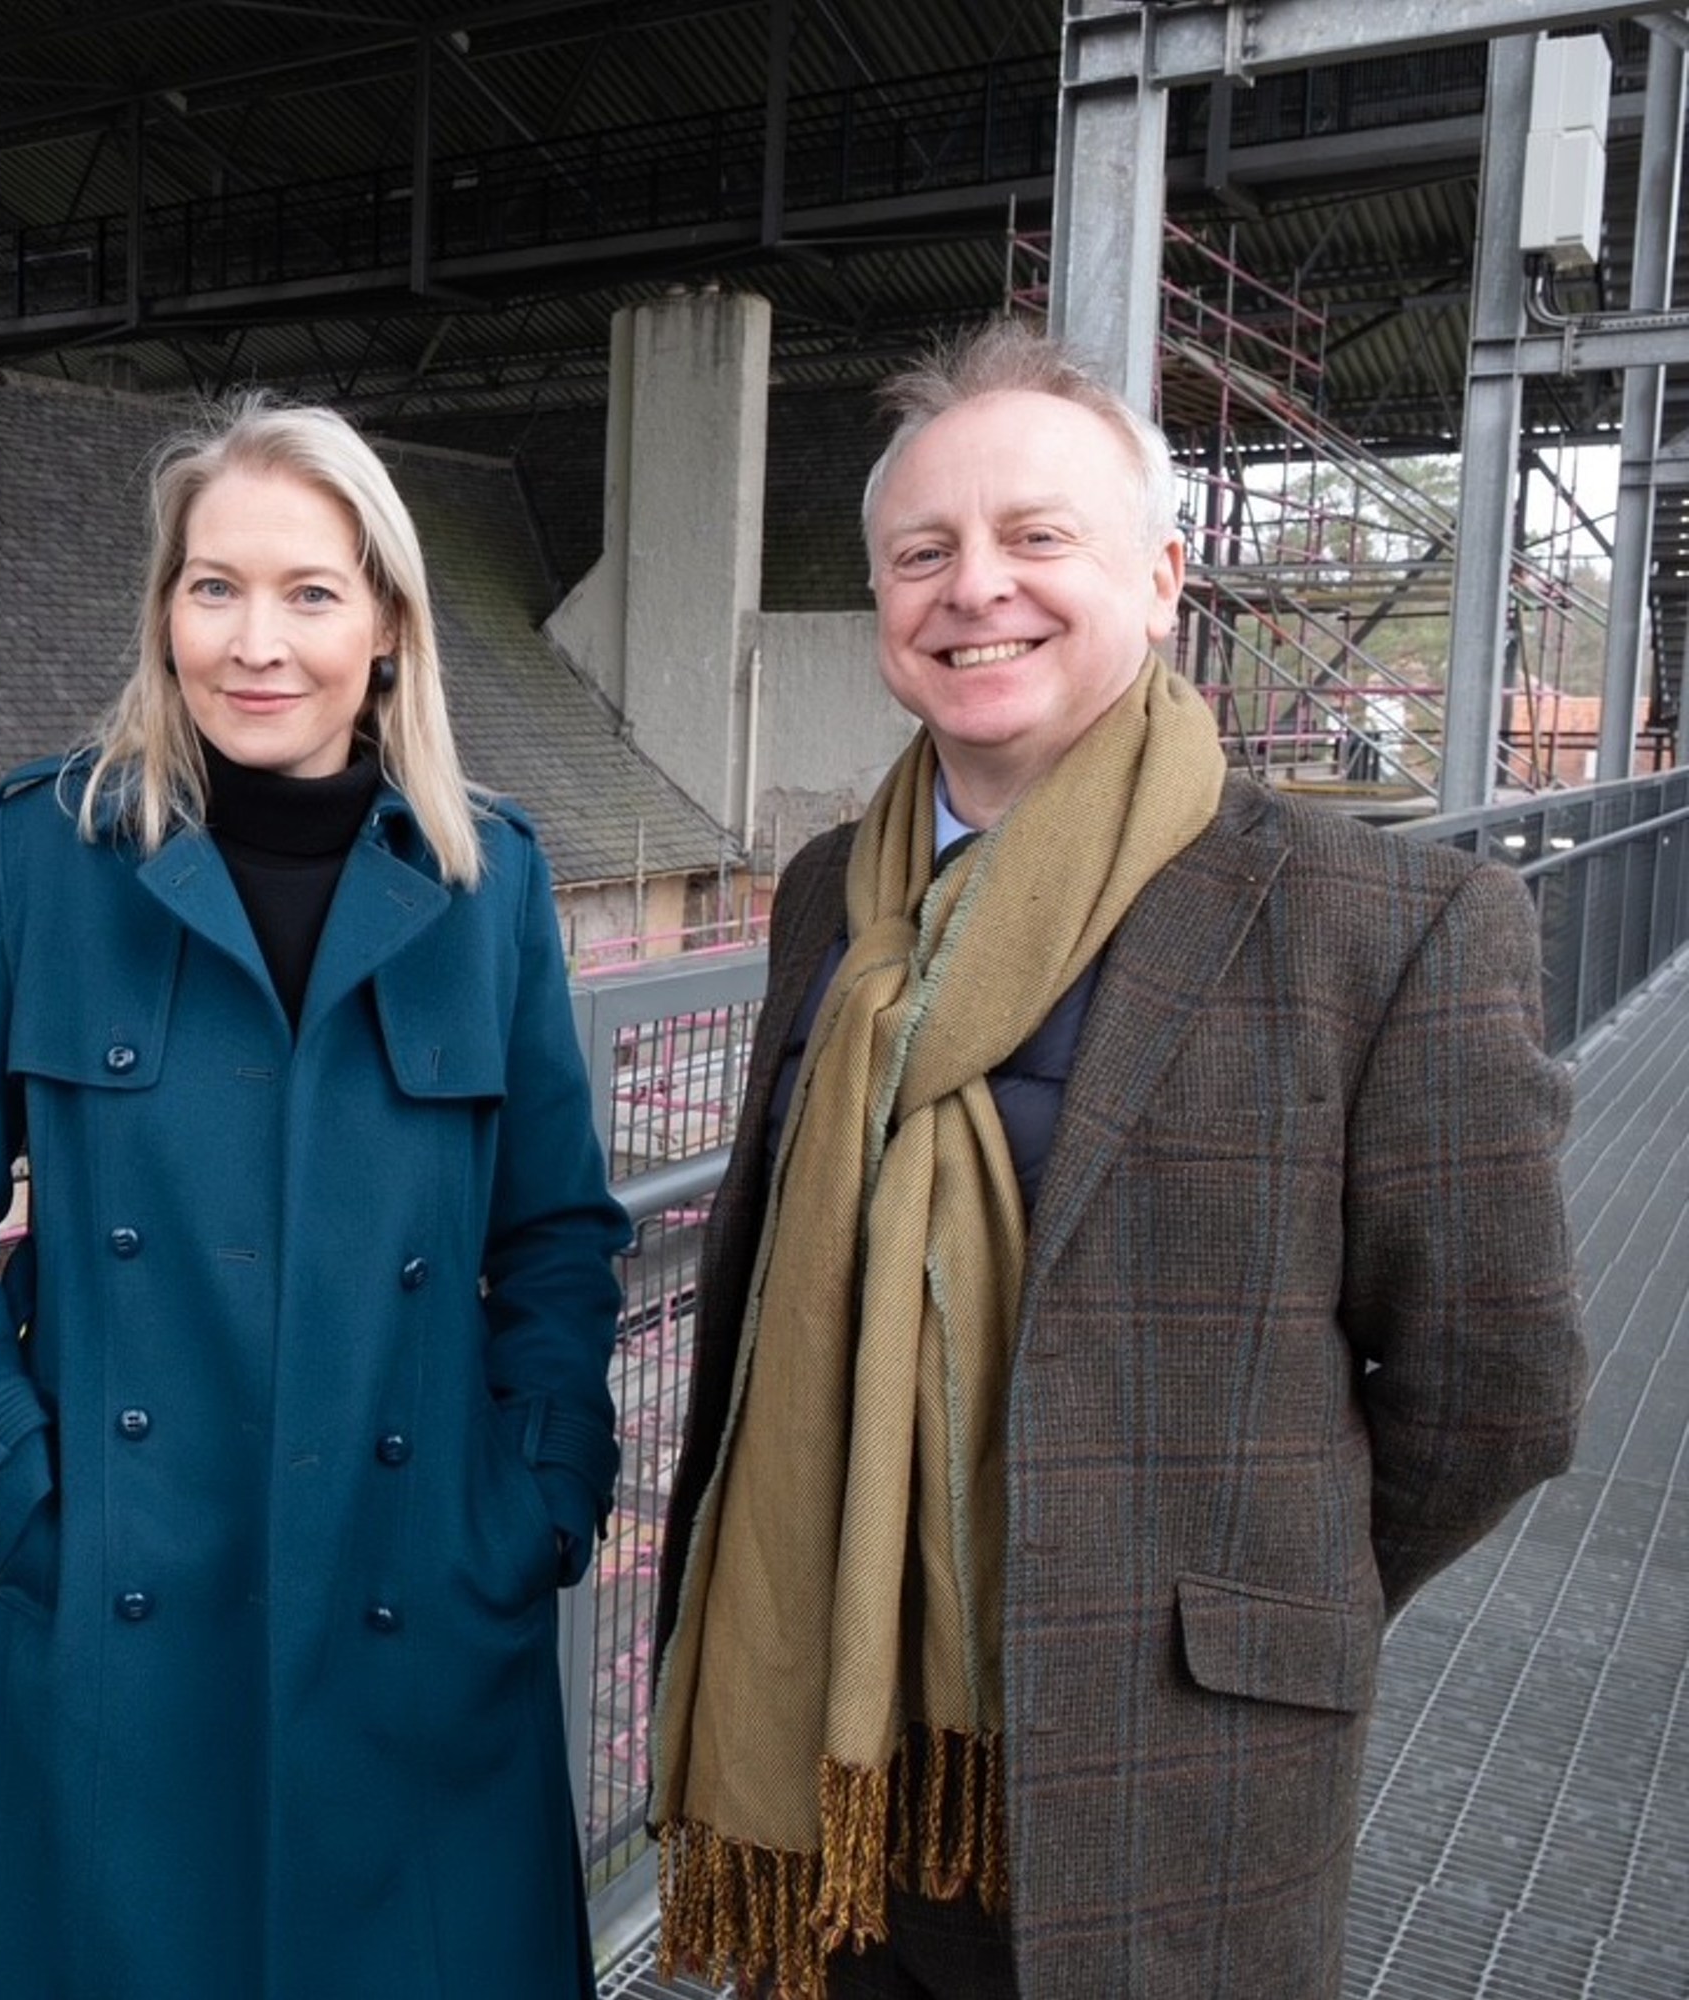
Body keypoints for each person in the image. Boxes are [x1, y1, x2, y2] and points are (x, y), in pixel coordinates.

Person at [644, 320, 1586, 1999]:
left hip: (1171, 1775)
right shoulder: (828, 900)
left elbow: (1496, 1390)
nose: (973, 587)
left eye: (1036, 536)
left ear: (1158, 583)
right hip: (835, 1766)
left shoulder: (1385, 924)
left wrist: (1256, 1603)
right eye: (923, 552)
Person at [0, 396, 631, 1999]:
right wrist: (13, 1487)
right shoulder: (49, 856)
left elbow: (556, 1230)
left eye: (309, 593)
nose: (255, 642)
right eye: (213, 587)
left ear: (387, 626)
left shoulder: (491, 883)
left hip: (417, 1594)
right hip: (122, 1603)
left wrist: (539, 1493)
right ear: (166, 612)